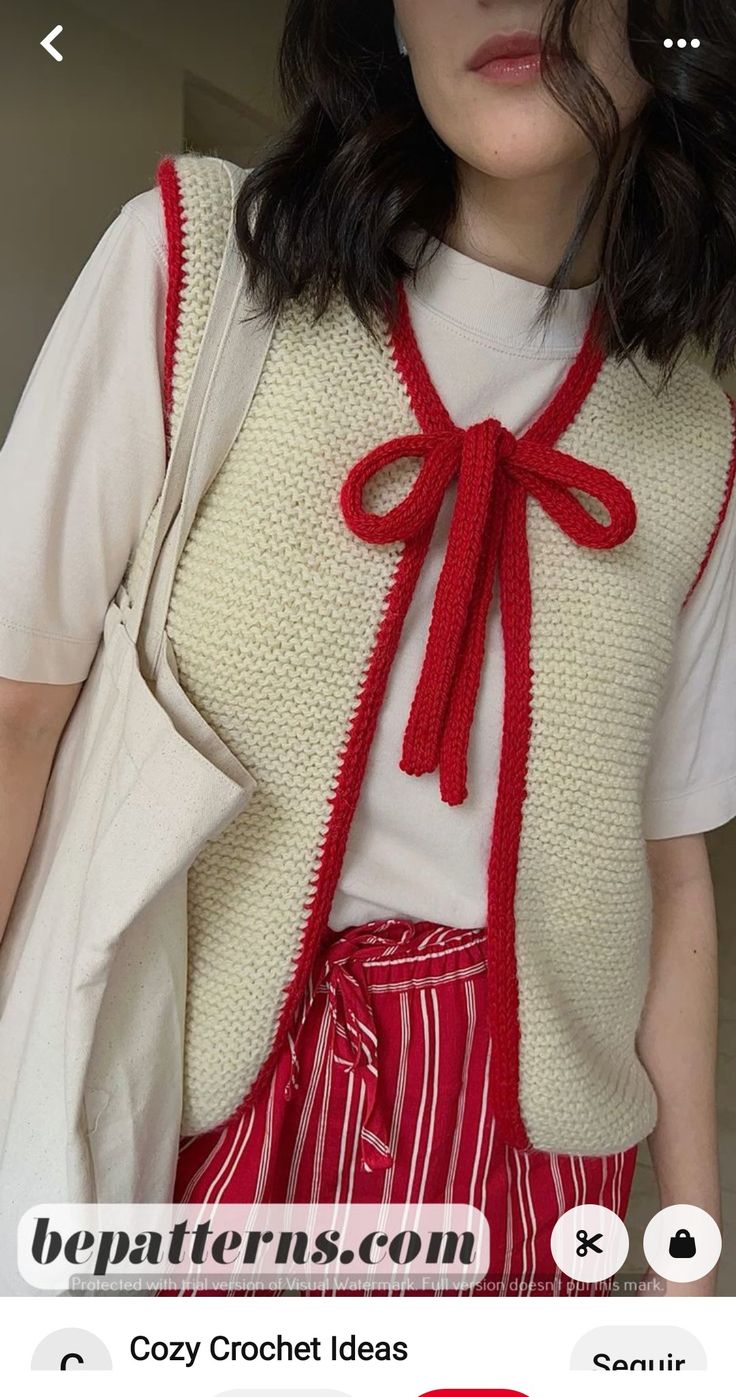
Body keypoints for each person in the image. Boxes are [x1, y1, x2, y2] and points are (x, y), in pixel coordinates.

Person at [1, 0, 735, 1297]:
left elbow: (671, 863)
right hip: (202, 1112)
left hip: (533, 1166)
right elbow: (19, 717)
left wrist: (686, 1263)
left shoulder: (697, 445)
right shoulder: (194, 269)